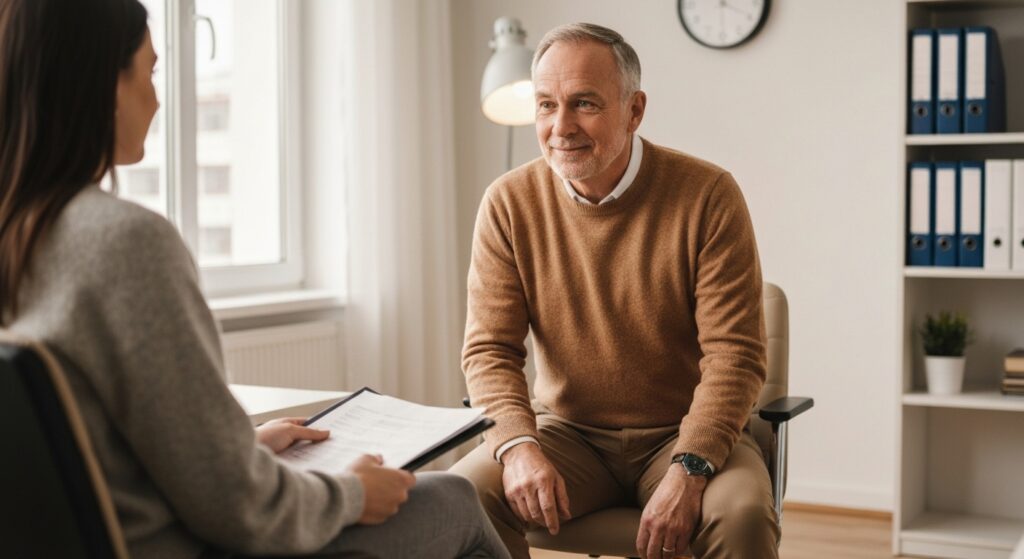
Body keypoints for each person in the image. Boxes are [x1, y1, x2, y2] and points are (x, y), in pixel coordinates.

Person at [0, 1, 509, 558]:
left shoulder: (19, 235)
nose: (158, 99)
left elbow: (99, 453)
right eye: (150, 71)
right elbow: (239, 507)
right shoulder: (124, 244)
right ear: (102, 83)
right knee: (453, 500)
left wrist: (244, 448)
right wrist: (351, 494)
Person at [450, 22, 777, 559]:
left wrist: (691, 466)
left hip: (681, 431)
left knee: (741, 515)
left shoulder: (708, 195)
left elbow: (734, 356)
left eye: (584, 103)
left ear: (634, 110)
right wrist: (517, 446)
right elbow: (489, 350)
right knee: (461, 495)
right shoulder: (508, 203)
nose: (561, 127)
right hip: (567, 434)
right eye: (546, 105)